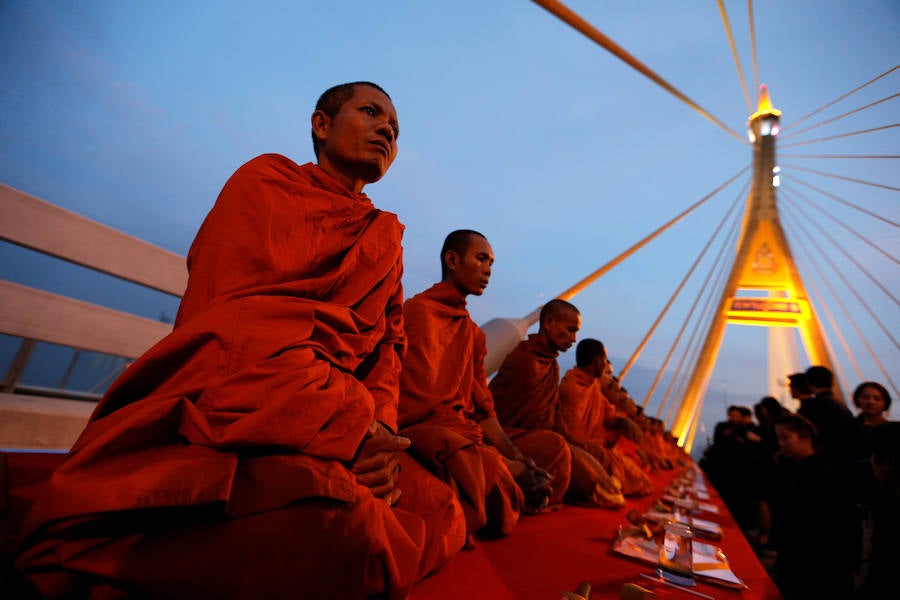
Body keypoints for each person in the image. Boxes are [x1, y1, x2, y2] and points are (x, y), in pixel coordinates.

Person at [13, 82, 465, 600]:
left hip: (344, 411)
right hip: (250, 397)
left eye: (396, 129)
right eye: (371, 112)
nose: (387, 130)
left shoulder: (383, 236)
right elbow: (231, 323)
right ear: (321, 124)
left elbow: (388, 349)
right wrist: (347, 423)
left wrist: (380, 433)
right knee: (346, 521)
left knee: (440, 508)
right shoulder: (266, 182)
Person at [398, 230, 570, 542]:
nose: (488, 269)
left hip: (461, 435)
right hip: (422, 433)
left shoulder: (474, 336)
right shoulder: (415, 312)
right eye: (481, 259)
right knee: (492, 471)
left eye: (491, 263)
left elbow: (484, 409)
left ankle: (507, 476)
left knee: (531, 461)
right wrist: (507, 463)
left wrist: (518, 457)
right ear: (452, 260)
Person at [490, 300, 625, 508]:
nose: (574, 339)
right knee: (562, 451)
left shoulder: (551, 365)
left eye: (576, 332)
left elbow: (553, 419)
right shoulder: (525, 359)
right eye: (570, 330)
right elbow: (501, 415)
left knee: (588, 459)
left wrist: (577, 448)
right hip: (511, 438)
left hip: (544, 437)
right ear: (549, 323)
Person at [768, 414, 855, 599]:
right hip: (797, 554)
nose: (781, 444)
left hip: (811, 560)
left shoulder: (818, 472)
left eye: (785, 438)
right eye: (779, 439)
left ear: (805, 437)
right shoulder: (796, 466)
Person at [556, 339, 652, 497]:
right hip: (581, 450)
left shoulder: (593, 386)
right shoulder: (571, 387)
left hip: (596, 448)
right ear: (597, 361)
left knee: (639, 480)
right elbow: (573, 436)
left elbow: (609, 416)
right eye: (605, 361)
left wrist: (623, 422)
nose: (606, 366)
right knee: (617, 477)